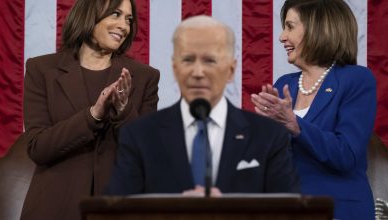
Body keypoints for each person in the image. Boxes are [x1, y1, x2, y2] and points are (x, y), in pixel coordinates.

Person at [105, 15, 299, 196]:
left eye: (210, 60)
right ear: (175, 68)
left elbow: (289, 213)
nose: (198, 72)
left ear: (231, 70)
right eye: (188, 60)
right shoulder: (140, 135)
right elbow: (116, 211)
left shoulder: (268, 136)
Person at [20, 0, 160, 219]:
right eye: (115, 14)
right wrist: (92, 115)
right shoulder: (42, 70)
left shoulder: (144, 77)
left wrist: (123, 112)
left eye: (128, 19)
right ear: (88, 14)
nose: (124, 25)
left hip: (119, 209)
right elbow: (38, 148)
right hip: (55, 207)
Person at [250, 0, 376, 219]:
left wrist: (295, 125)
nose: (281, 37)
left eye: (290, 27)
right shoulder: (283, 84)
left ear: (317, 28)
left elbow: (345, 154)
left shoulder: (356, 79)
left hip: (337, 210)